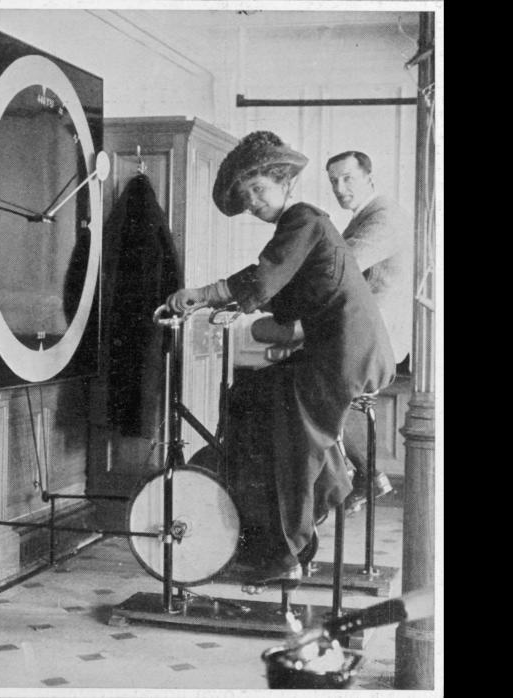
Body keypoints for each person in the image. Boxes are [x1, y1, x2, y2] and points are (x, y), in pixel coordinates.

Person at [166, 131, 396, 586]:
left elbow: (263, 278)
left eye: (258, 189)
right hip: (336, 350)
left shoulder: (303, 219)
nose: (252, 202)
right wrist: (221, 304)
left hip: (346, 353)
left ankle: (288, 551)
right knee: (247, 394)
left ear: (285, 183)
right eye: (245, 195)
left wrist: (202, 294)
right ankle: (299, 512)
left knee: (285, 433)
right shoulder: (303, 228)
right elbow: (285, 293)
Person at [326, 151, 413, 513]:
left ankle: (367, 473)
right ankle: (365, 474)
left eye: (348, 178)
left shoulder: (384, 216)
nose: (340, 188)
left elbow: (341, 269)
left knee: (316, 392)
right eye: (333, 181)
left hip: (377, 339)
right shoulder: (366, 216)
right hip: (367, 335)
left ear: (369, 178)